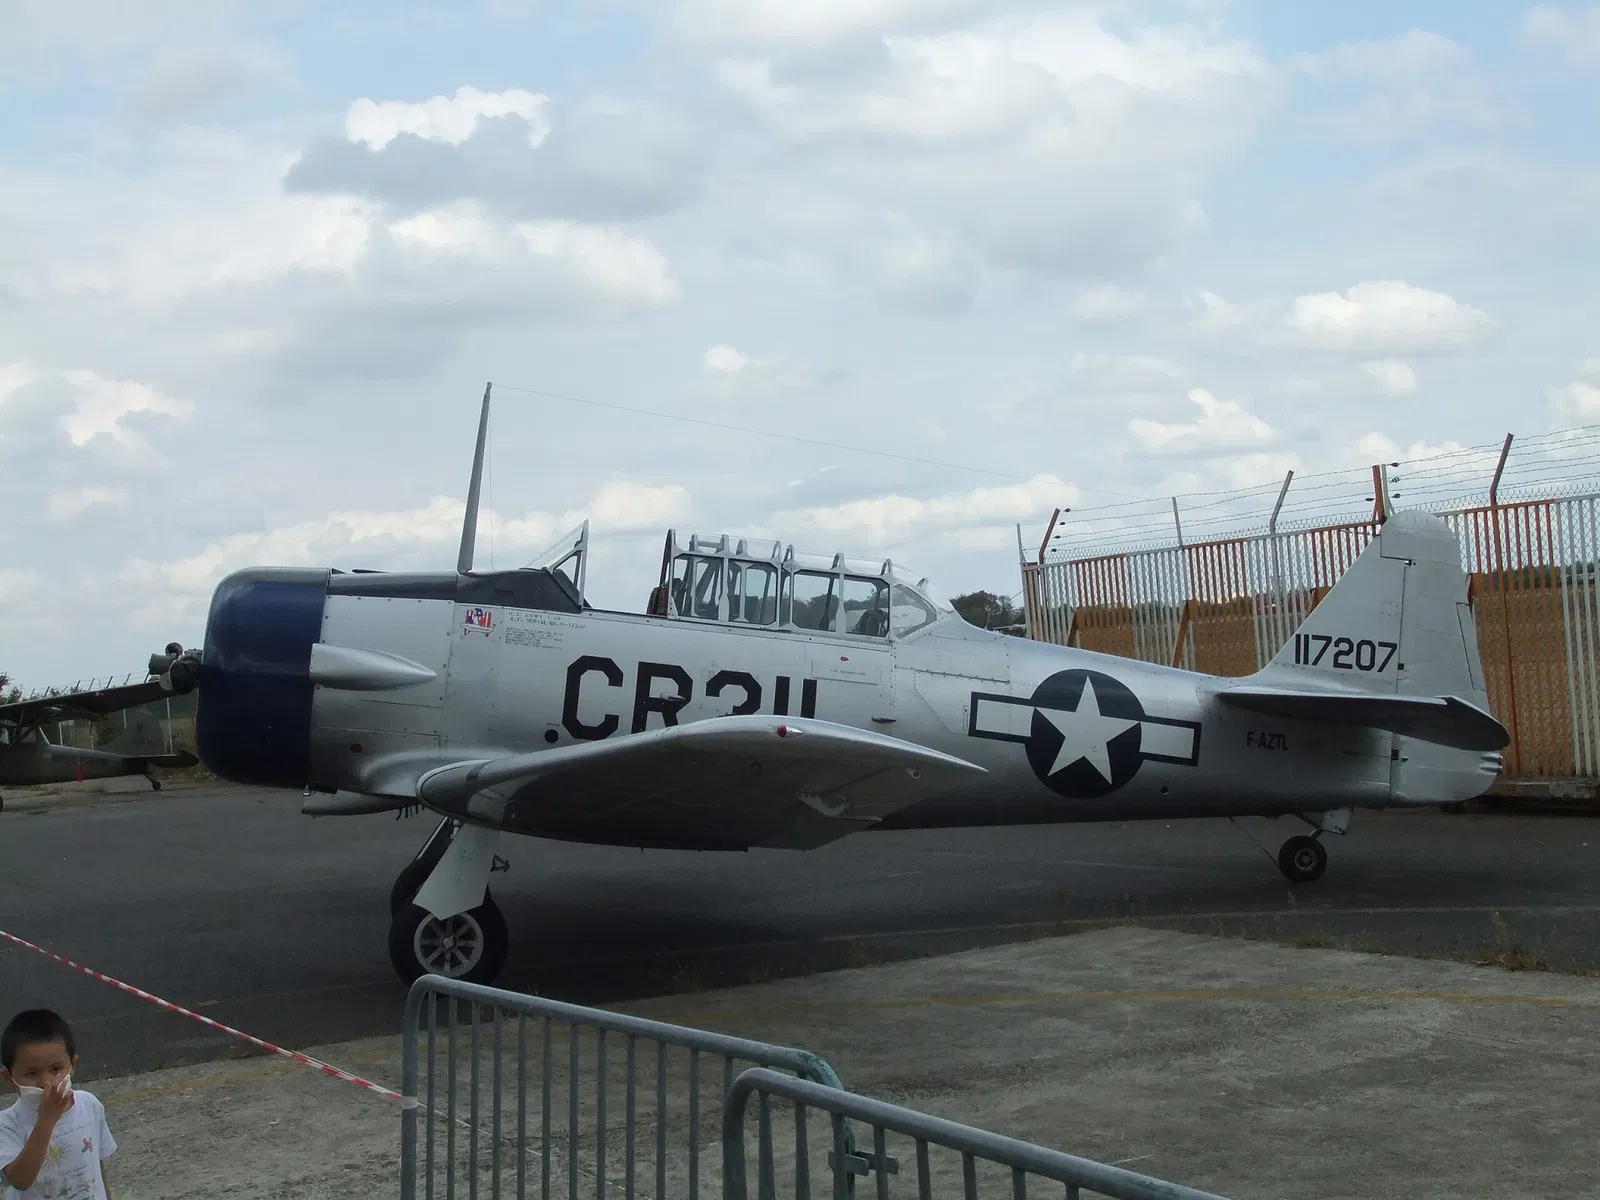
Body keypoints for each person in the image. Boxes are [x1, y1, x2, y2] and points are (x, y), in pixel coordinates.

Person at [0, 1010, 115, 1199]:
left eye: (56, 1069)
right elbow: (20, 1180)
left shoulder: (89, 1105)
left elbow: (97, 1166)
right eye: (31, 1073)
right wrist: (47, 1120)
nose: (47, 1083)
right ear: (9, 1078)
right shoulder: (7, 1125)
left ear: (72, 1066)